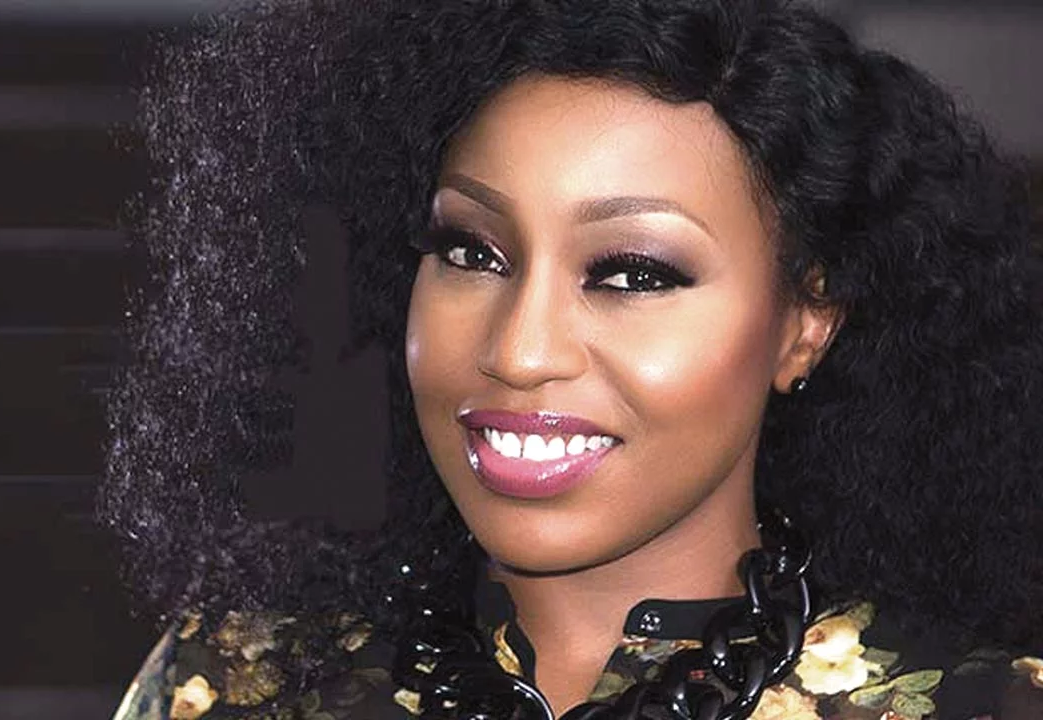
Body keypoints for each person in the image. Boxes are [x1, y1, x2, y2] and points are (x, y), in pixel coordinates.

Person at [99, 1, 1043, 718]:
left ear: (806, 322)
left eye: (633, 273)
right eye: (472, 252)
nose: (519, 351)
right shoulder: (231, 680)